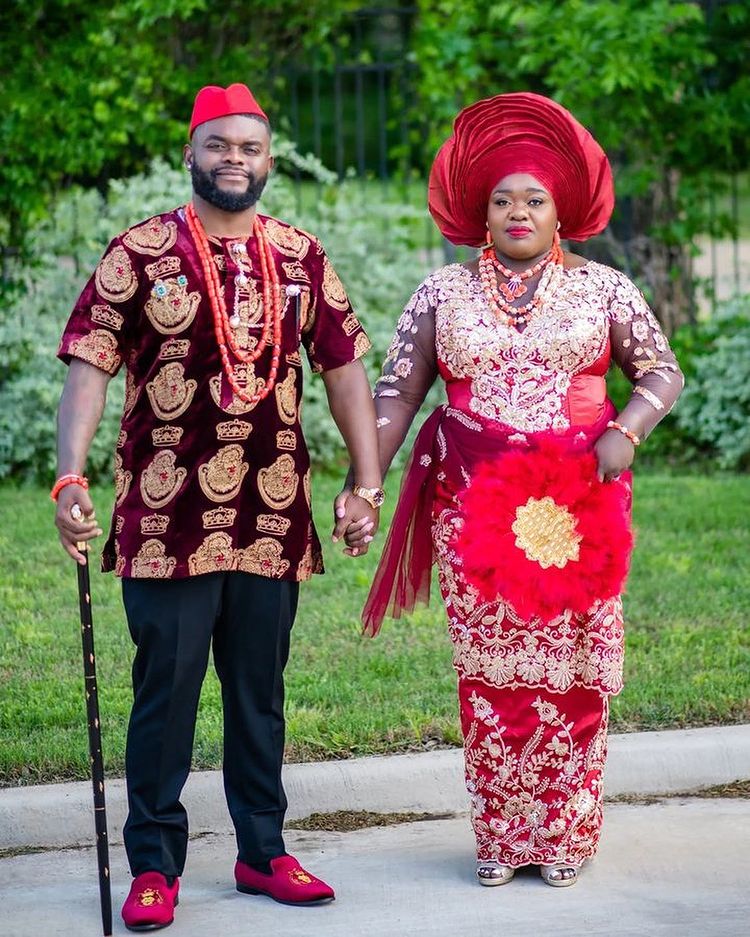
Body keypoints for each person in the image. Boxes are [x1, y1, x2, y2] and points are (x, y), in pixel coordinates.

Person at [53, 82, 383, 931]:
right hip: (166, 521)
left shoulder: (301, 255)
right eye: (220, 146)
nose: (235, 160)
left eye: (250, 148)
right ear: (191, 153)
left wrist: (365, 481)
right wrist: (70, 476)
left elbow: (345, 368)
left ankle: (262, 851)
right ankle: (154, 864)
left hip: (271, 519)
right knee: (165, 691)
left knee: (258, 692)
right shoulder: (139, 252)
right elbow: (90, 362)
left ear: (268, 160)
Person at [339, 92, 684, 888]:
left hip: (580, 502)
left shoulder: (604, 287)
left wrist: (626, 430)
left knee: (573, 668)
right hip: (474, 504)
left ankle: (564, 832)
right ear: (481, 212)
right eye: (503, 200)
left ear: (562, 210)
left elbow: (661, 373)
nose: (518, 212)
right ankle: (500, 833)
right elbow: (396, 394)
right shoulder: (441, 293)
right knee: (491, 669)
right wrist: (365, 484)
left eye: (534, 199)